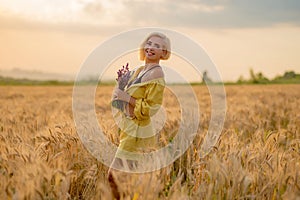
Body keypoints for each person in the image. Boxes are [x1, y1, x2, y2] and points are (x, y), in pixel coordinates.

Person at [108, 32, 171, 199]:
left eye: (157, 46)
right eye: (149, 43)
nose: (151, 47)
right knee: (130, 180)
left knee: (113, 177)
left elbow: (152, 108)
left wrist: (125, 97)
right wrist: (120, 89)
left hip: (138, 133)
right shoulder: (139, 71)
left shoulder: (157, 74)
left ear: (163, 53)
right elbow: (122, 100)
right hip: (128, 129)